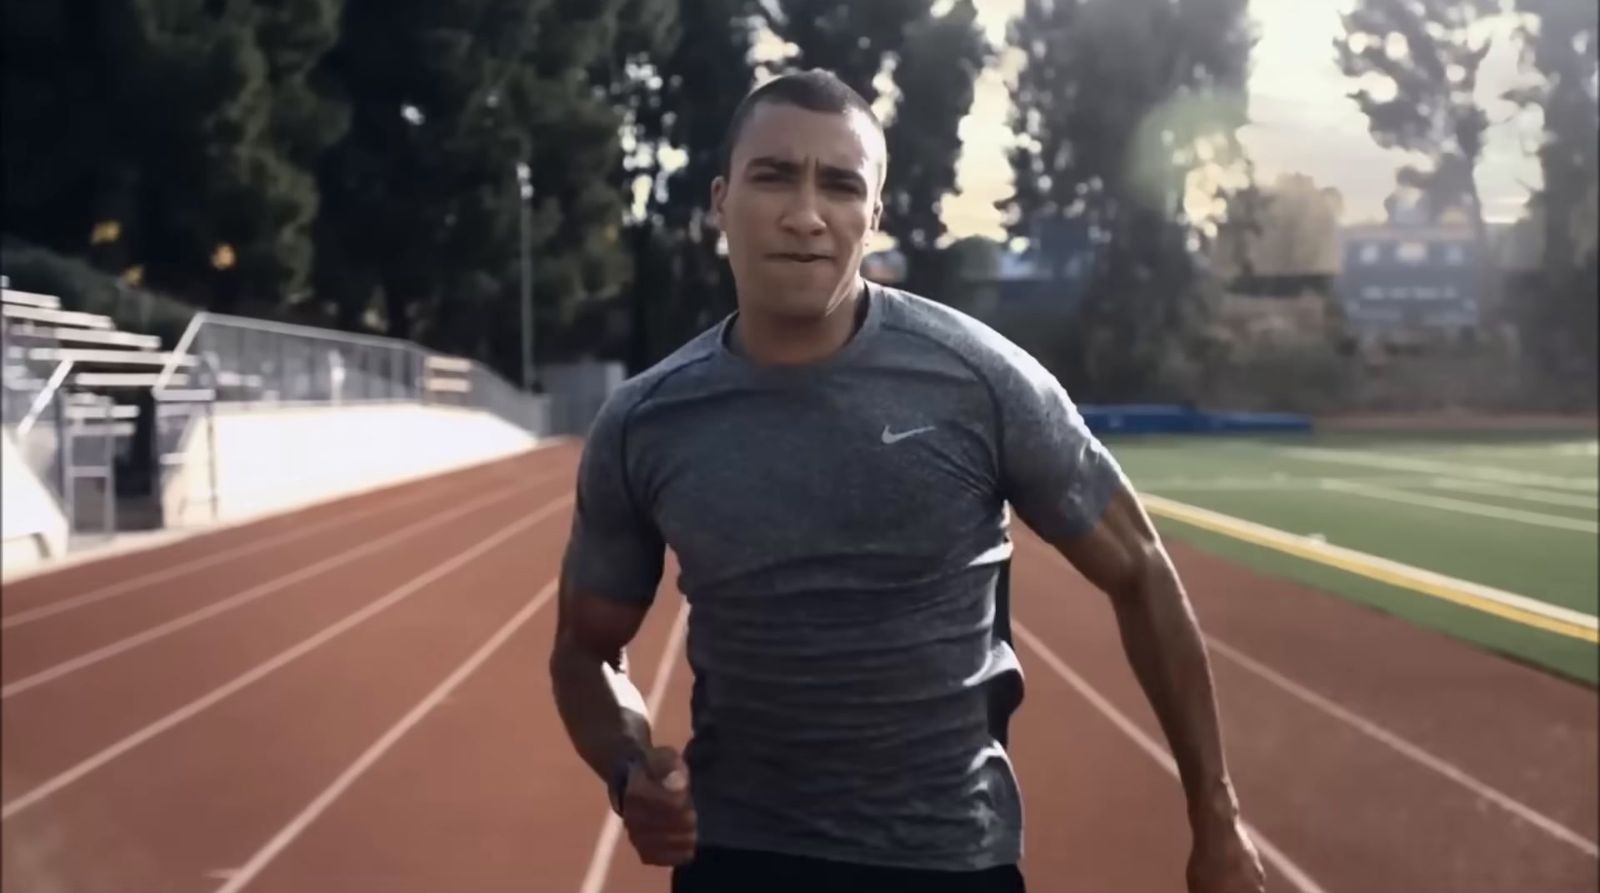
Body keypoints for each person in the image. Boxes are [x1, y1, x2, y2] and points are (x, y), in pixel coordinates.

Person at [549, 69, 1267, 893]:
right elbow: (586, 651)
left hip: (947, 863)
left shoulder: (983, 381)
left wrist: (1215, 817)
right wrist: (629, 766)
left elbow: (1140, 570)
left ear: (874, 217)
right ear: (721, 199)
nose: (806, 214)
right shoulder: (646, 420)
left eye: (841, 185)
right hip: (737, 861)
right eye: (774, 175)